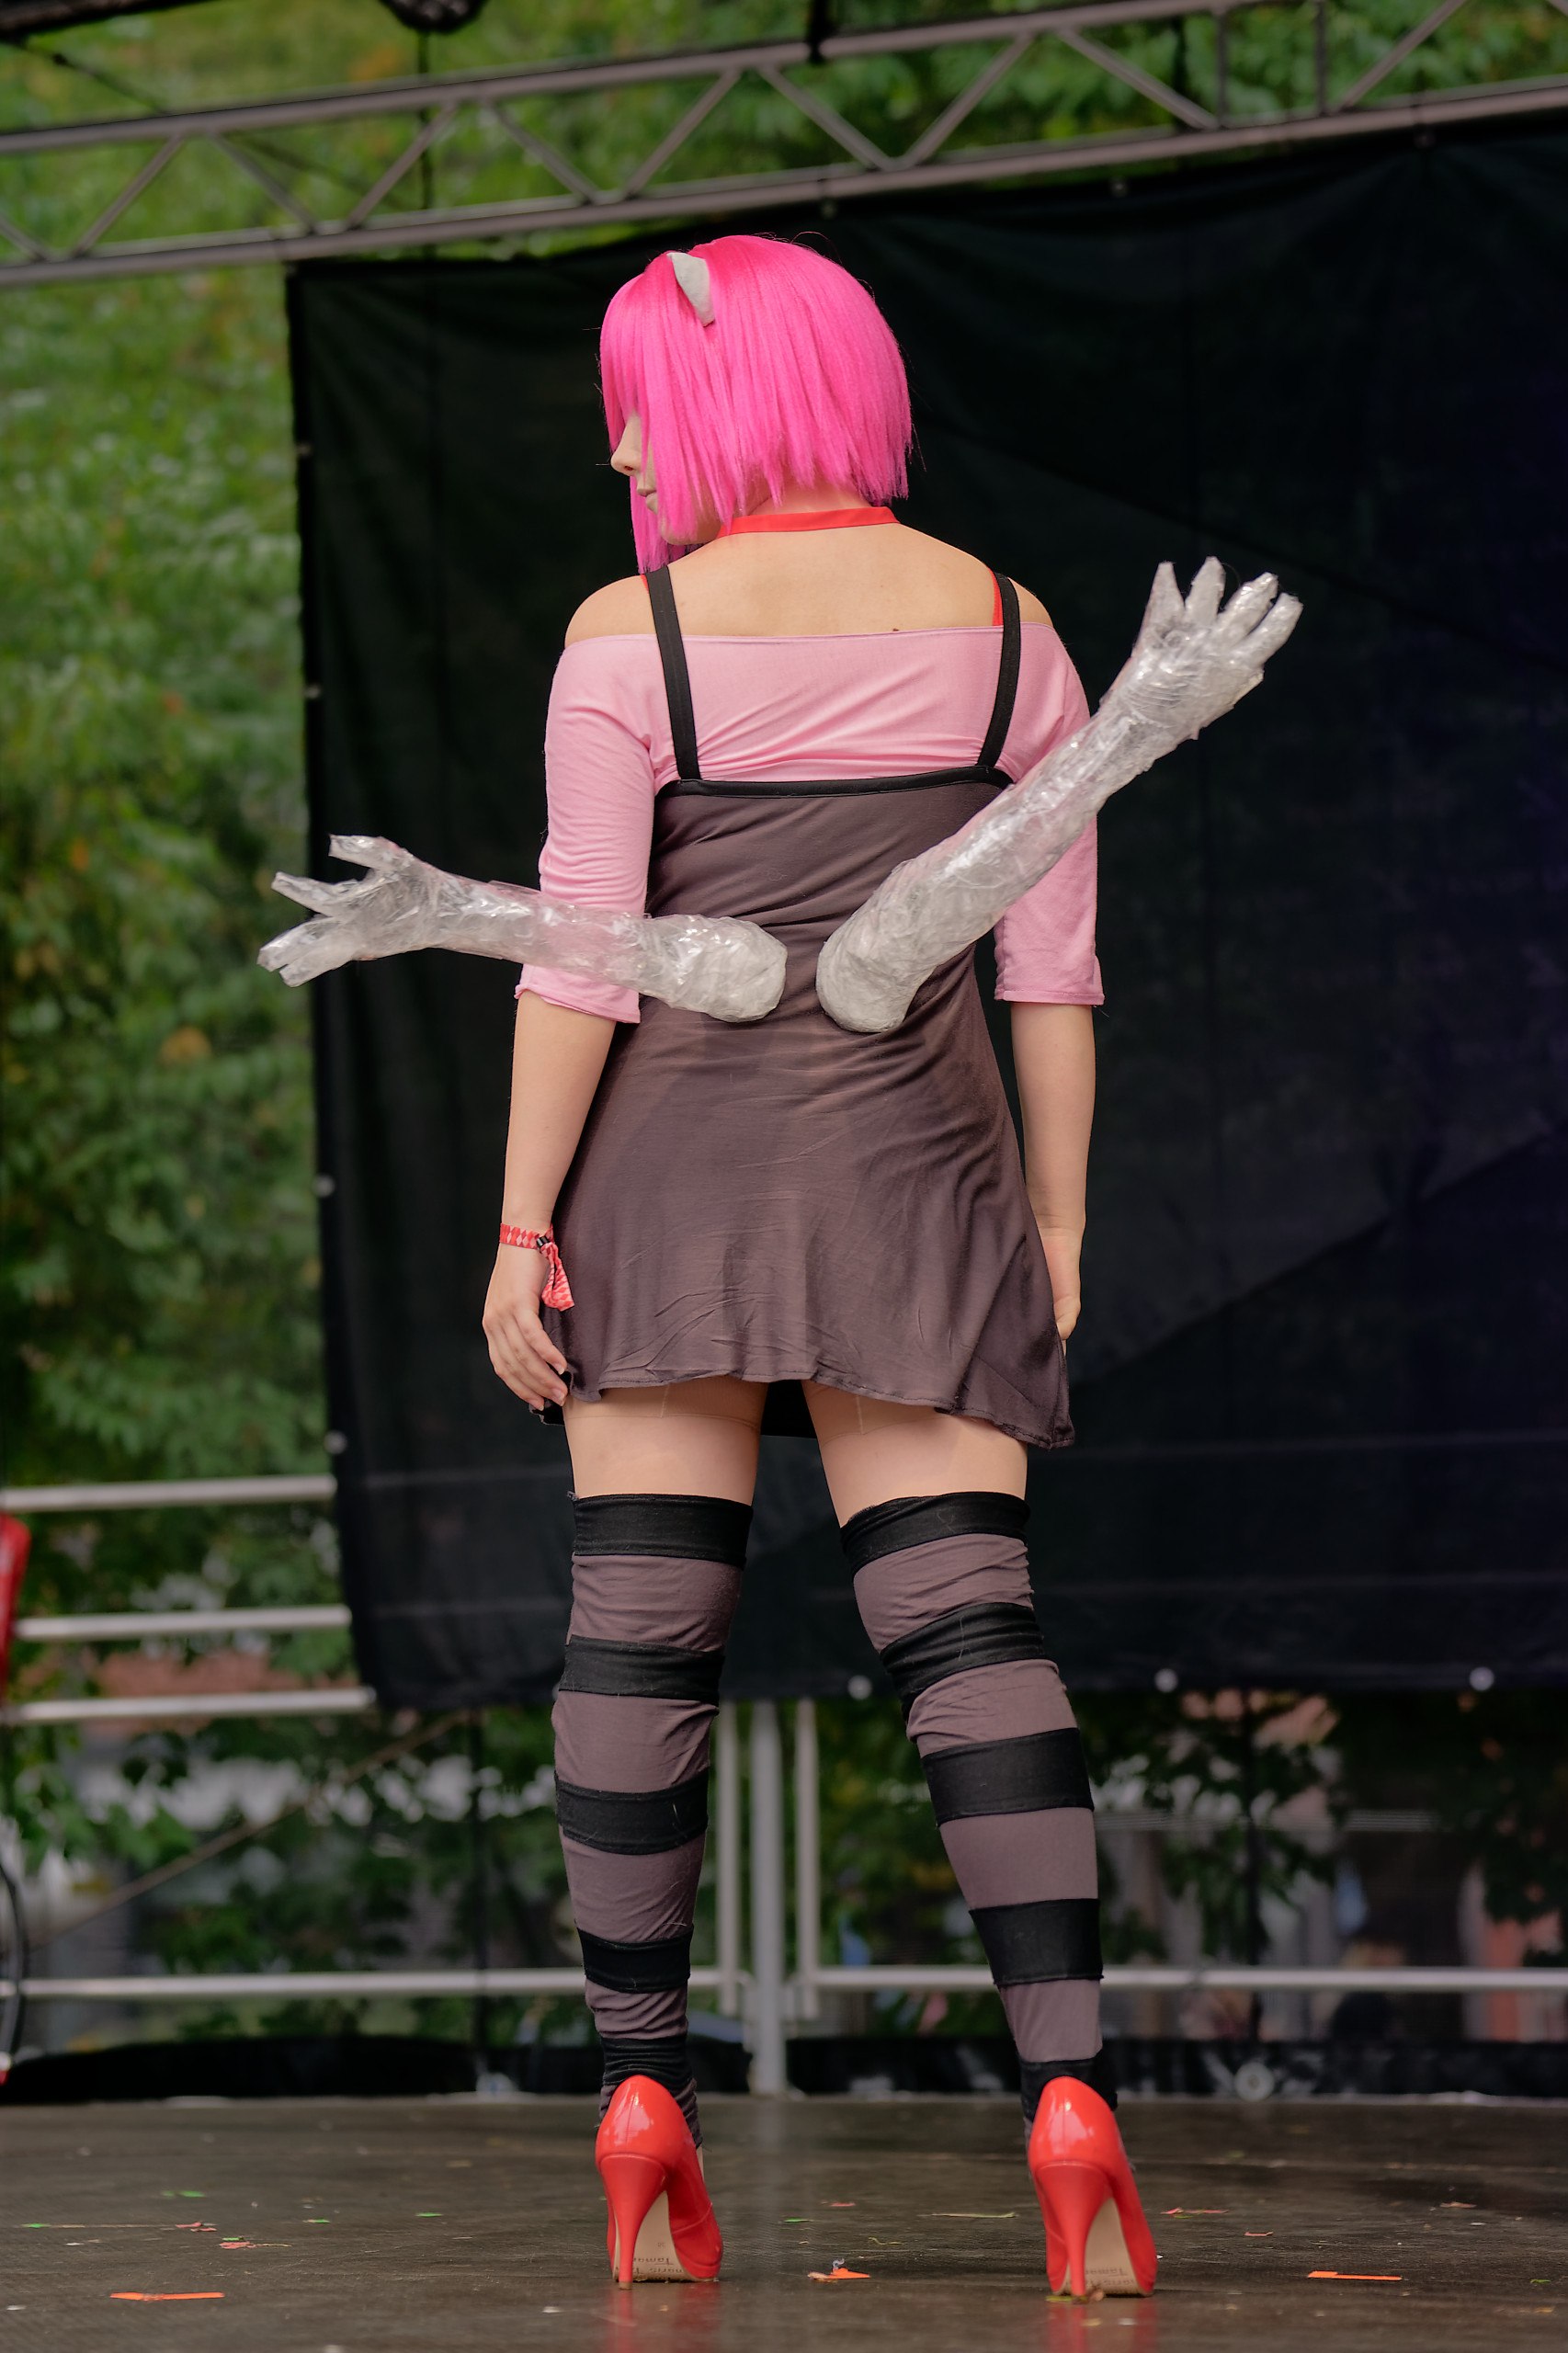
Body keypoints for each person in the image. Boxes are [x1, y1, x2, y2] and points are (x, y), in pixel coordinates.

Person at [481, 233, 1156, 2299]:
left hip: (665, 1181)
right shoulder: (1013, 632)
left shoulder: (628, 637)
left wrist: (519, 1226)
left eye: (635, 406)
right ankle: (1070, 2102)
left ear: (714, 404)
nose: (618, 447)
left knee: (637, 1637)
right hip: (918, 1179)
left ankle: (638, 2096)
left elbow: (579, 961)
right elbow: (1053, 974)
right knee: (969, 1631)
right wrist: (1051, 1225)